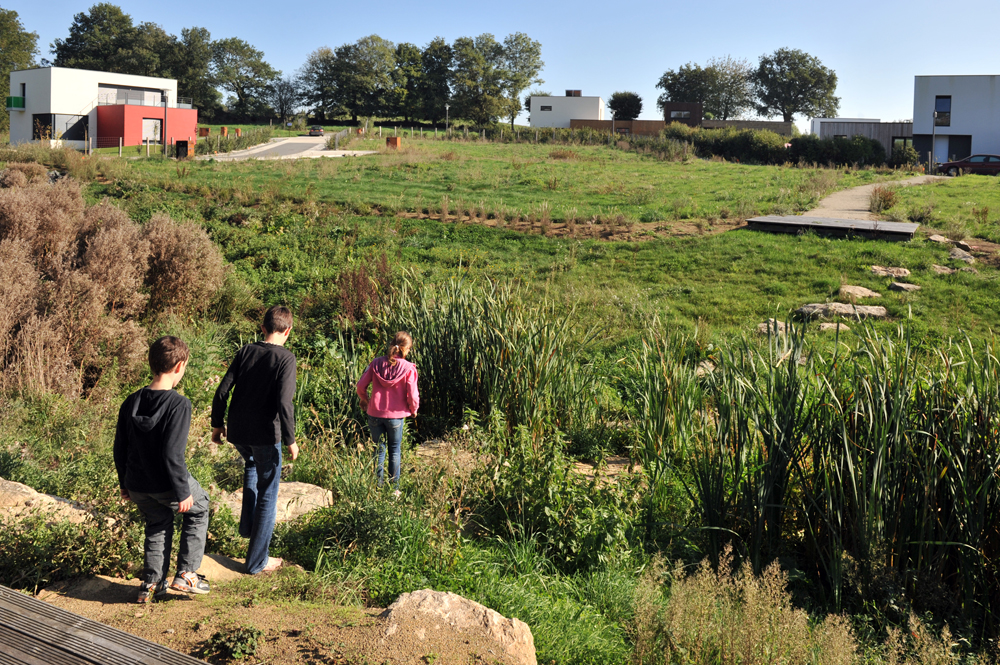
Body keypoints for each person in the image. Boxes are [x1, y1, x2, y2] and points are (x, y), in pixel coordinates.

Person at [114, 336, 211, 603]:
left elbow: (119, 448)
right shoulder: (179, 404)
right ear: (179, 366)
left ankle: (151, 584)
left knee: (157, 524)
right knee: (200, 506)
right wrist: (182, 492)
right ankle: (187, 574)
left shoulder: (131, 401)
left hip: (138, 485)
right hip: (167, 484)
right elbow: (172, 454)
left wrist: (125, 483)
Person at [211, 305, 298, 574]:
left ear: (262, 328)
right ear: (288, 331)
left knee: (250, 465)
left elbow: (223, 389)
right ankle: (257, 561)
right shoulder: (286, 358)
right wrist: (290, 439)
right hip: (264, 434)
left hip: (238, 431)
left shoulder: (246, 350)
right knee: (268, 493)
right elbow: (285, 402)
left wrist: (217, 424)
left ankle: (248, 528)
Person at [356, 331, 420, 487]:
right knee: (394, 450)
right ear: (406, 349)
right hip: (396, 417)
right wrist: (414, 409)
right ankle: (394, 490)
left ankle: (377, 487)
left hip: (374, 413)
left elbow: (360, 385)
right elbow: (412, 394)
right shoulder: (409, 368)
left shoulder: (376, 363)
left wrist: (364, 399)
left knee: (378, 450)